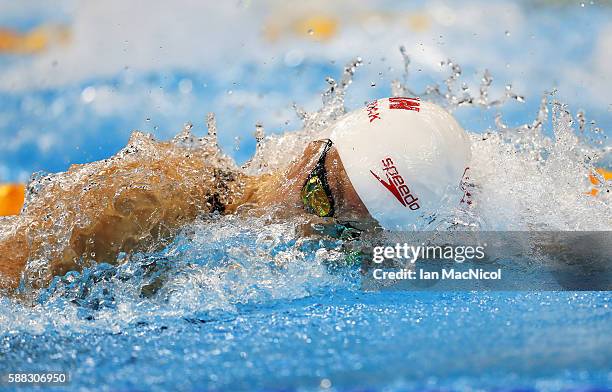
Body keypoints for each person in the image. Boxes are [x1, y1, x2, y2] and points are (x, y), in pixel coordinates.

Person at [0, 97, 470, 294]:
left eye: (349, 232)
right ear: (311, 149)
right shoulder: (154, 199)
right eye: (319, 196)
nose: (316, 229)